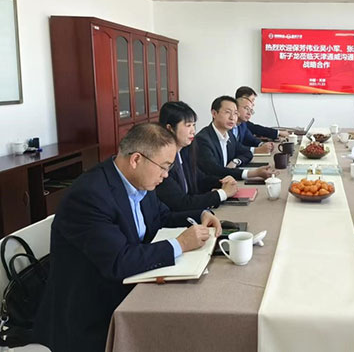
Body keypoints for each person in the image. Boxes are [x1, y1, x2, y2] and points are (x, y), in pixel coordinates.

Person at [34, 123, 222, 352]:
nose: (166, 175)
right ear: (136, 160)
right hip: (92, 313)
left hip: (129, 286)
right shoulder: (90, 195)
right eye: (164, 167)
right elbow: (119, 260)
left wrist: (201, 214)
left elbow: (162, 217)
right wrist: (181, 244)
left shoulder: (139, 182)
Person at [156, 101, 238, 211]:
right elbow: (181, 203)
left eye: (194, 125)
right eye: (188, 125)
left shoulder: (185, 151)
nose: (193, 131)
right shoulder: (161, 162)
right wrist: (222, 194)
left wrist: (223, 182)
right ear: (170, 128)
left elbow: (200, 179)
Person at [195, 95, 273, 180]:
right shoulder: (203, 139)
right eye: (227, 112)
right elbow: (214, 170)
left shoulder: (229, 135)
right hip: (212, 186)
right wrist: (253, 173)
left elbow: (247, 153)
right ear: (214, 113)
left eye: (235, 113)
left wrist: (235, 161)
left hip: (227, 182)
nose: (232, 118)